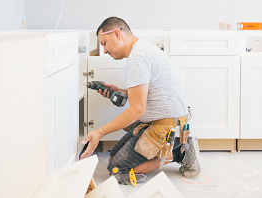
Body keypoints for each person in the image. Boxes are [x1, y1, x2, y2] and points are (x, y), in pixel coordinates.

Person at [80, 17, 201, 185]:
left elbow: (137, 110)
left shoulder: (138, 58)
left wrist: (99, 132)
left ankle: (180, 151)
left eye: (105, 43)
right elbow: (148, 93)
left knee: (117, 171)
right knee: (114, 156)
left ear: (117, 34)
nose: (105, 50)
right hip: (159, 122)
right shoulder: (141, 50)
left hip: (167, 127)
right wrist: (120, 91)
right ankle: (176, 147)